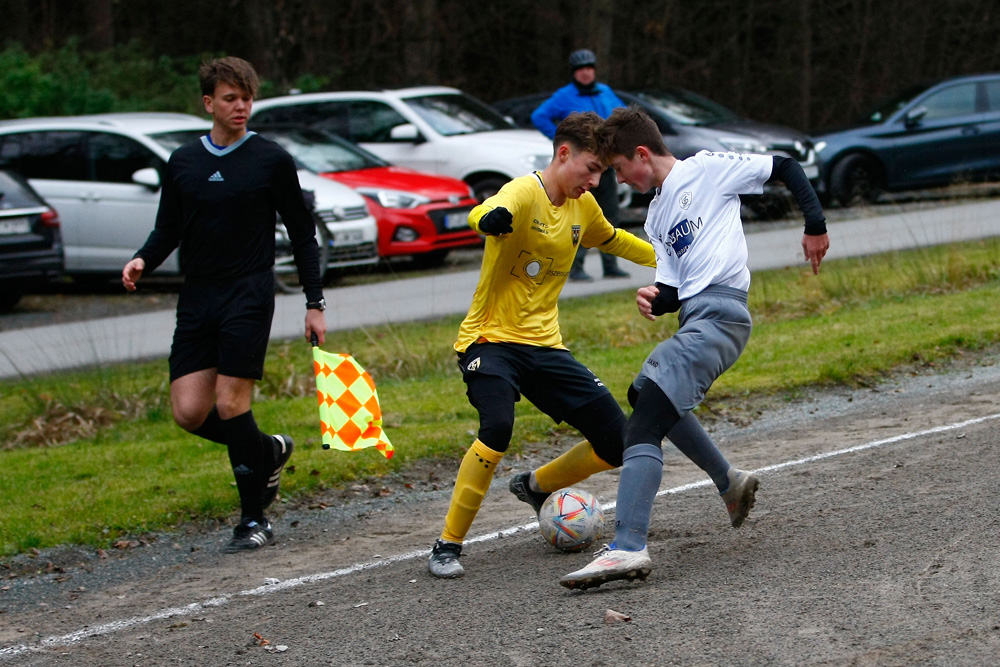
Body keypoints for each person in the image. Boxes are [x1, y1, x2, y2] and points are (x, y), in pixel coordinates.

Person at [558, 106, 830, 590]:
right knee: (645, 394)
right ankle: (729, 482)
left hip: (722, 316)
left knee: (641, 424)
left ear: (642, 154)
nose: (618, 180)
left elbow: (785, 165)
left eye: (619, 169)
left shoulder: (706, 169)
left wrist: (814, 224)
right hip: (699, 316)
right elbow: (675, 290)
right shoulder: (658, 216)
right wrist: (656, 299)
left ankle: (627, 547)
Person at [427, 112, 657, 579]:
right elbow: (490, 209)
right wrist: (488, 218)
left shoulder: (583, 207)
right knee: (497, 427)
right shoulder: (524, 192)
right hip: (489, 341)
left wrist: (673, 260)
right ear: (563, 153)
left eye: (601, 172)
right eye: (590, 168)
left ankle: (535, 487)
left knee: (618, 442)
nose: (594, 181)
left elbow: (613, 240)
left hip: (544, 347)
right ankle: (447, 545)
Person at [121, 57, 327, 553]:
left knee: (232, 405)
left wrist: (313, 302)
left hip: (248, 293)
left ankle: (253, 518)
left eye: (247, 98)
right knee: (190, 412)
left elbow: (303, 235)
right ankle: (269, 450)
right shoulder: (184, 162)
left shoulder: (271, 159)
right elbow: (168, 226)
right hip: (198, 296)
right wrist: (142, 259)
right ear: (209, 103)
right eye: (231, 98)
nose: (241, 107)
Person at [531, 48, 629, 282]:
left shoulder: (604, 91)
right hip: (581, 168)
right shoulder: (565, 96)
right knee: (579, 217)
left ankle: (610, 264)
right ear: (574, 73)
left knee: (610, 215)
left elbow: (623, 114)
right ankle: (575, 267)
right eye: (580, 69)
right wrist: (562, 139)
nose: (585, 73)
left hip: (605, 164)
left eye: (589, 68)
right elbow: (539, 116)